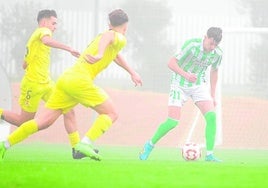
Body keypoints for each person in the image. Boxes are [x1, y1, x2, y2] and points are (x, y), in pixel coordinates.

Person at [0, 9, 142, 161]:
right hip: (79, 80)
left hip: (66, 79)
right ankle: (85, 143)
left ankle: (4, 145)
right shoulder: (116, 36)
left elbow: (115, 55)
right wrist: (100, 54)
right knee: (111, 113)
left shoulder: (105, 39)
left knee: (43, 122)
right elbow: (110, 36)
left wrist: (132, 72)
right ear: (125, 27)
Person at [0, 9, 82, 159]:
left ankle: (76, 148)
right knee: (23, 121)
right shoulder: (43, 31)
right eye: (54, 23)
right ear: (44, 22)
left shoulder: (33, 39)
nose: (55, 27)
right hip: (33, 85)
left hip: (47, 84)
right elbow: (46, 41)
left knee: (68, 110)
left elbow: (24, 63)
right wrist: (69, 48)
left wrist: (31, 63)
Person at [139, 27, 223, 162]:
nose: (212, 47)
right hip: (179, 84)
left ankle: (209, 155)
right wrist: (186, 75)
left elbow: (215, 72)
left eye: (215, 45)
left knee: (212, 117)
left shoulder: (217, 54)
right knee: (172, 122)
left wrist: (212, 95)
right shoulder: (191, 45)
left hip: (199, 86)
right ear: (205, 37)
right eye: (210, 43)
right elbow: (171, 63)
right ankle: (149, 145)